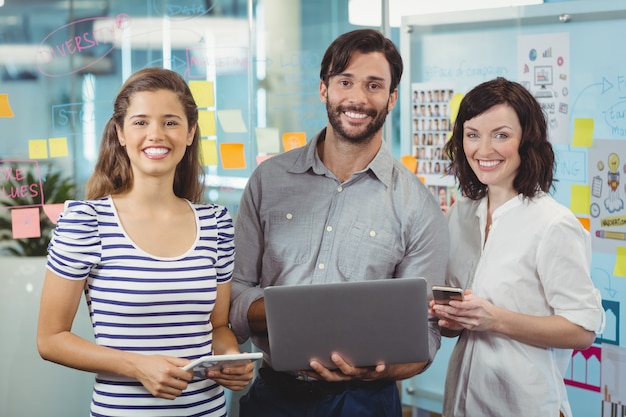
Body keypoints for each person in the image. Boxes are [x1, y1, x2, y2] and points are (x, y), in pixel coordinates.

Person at [230, 28, 449, 417]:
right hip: (273, 396)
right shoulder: (269, 180)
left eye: (374, 85)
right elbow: (234, 292)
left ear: (391, 97)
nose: (358, 98)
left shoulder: (418, 205)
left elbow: (425, 337)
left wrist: (372, 371)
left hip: (367, 400)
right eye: (345, 81)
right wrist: (294, 313)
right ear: (324, 90)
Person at [37, 67, 255, 417]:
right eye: (140, 122)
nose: (156, 134)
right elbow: (50, 339)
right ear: (121, 133)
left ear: (190, 133)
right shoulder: (85, 221)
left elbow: (217, 327)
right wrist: (135, 365)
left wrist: (230, 357)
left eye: (170, 122)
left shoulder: (215, 223)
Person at [431, 77, 605, 417]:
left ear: (527, 140)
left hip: (526, 406)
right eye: (472, 134)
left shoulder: (553, 224)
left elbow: (582, 330)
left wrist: (493, 318)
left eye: (501, 135)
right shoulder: (460, 215)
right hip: (462, 403)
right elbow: (457, 324)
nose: (483, 150)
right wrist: (449, 319)